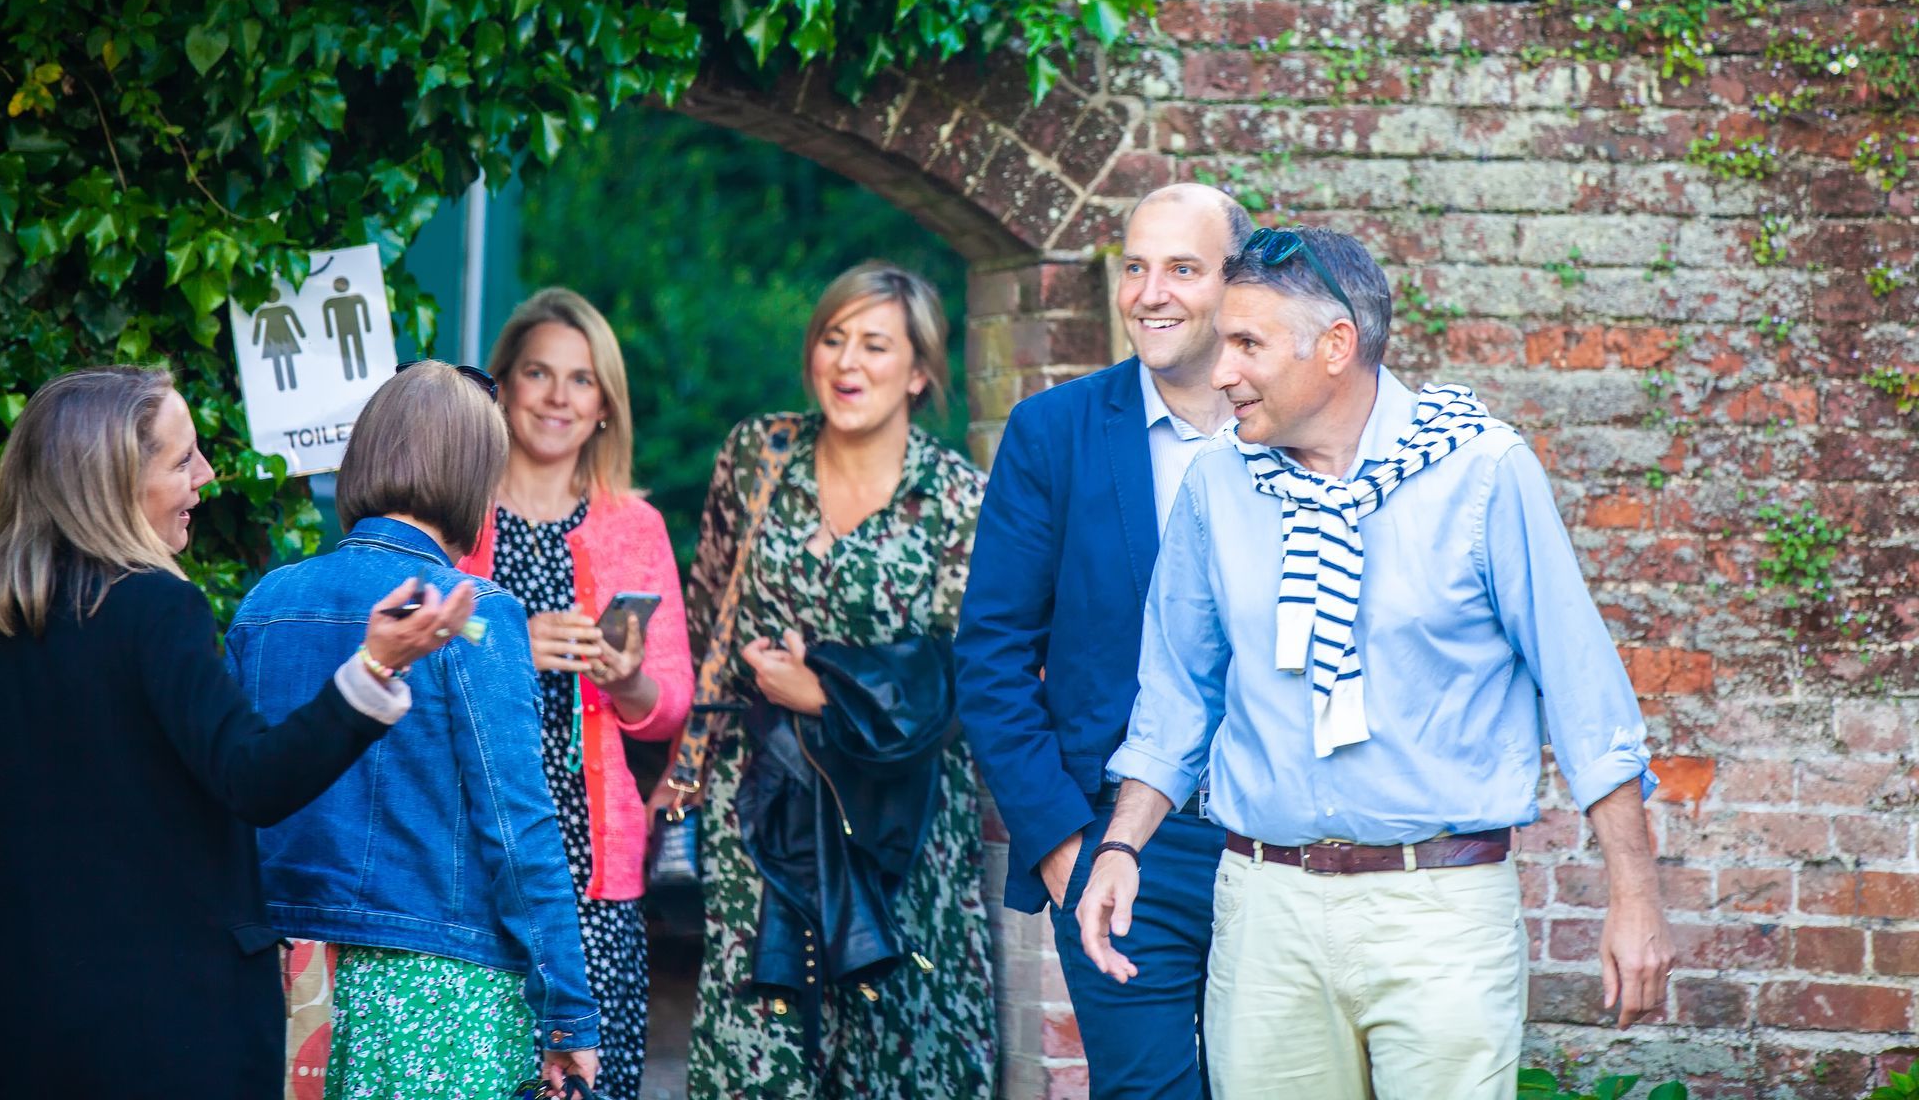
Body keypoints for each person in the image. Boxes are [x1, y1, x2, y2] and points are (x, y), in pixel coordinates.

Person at [1078, 226, 1675, 1099]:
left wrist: (1634, 896)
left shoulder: (1483, 474)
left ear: (1336, 347)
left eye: (1246, 344)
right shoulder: (1218, 486)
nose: (1220, 374)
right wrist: (1121, 844)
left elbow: (1585, 696)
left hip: (1438, 911)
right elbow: (1178, 696)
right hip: (1263, 906)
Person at [0, 365, 471, 1098]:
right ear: (115, 480)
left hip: (33, 1021)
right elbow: (254, 776)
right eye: (182, 459)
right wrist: (374, 667)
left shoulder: (17, 620)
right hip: (168, 1027)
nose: (208, 476)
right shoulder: (154, 608)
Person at [230, 361, 602, 1098]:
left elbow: (231, 795)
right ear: (475, 481)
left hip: (278, 976)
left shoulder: (267, 601)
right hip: (435, 992)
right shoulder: (476, 615)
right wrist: (569, 1015)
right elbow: (518, 823)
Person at [954, 183, 1250, 1098]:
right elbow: (991, 654)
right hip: (1119, 850)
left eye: (1183, 269)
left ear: (1236, 286)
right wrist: (1059, 844)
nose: (1150, 292)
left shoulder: (1291, 432)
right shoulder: (1056, 433)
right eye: (1135, 267)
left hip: (1275, 842)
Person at [685, 262, 997, 1098]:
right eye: (833, 339)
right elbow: (705, 610)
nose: (847, 363)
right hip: (764, 803)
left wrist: (823, 694)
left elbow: (964, 672)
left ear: (920, 370)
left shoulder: (957, 497)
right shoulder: (759, 455)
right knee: (762, 1043)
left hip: (900, 818)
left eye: (874, 344)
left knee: (899, 1037)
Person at [456, 287, 695, 1100]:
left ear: (604, 406)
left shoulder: (635, 525)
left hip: (594, 866)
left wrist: (626, 680)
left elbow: (670, 705)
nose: (559, 396)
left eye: (582, 380)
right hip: (471, 855)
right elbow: (412, 673)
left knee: (593, 1084)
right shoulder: (455, 519)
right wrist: (507, 648)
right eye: (537, 373)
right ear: (503, 386)